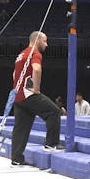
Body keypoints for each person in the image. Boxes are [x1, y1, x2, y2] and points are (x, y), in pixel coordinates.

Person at [11, 31, 63, 166]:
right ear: (37, 40)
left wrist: (18, 87)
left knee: (21, 128)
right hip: (28, 95)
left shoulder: (21, 54)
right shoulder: (35, 53)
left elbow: (14, 73)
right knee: (54, 111)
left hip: (18, 97)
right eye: (45, 41)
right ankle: (51, 144)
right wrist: (36, 89)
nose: (46, 44)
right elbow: (37, 69)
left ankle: (16, 158)